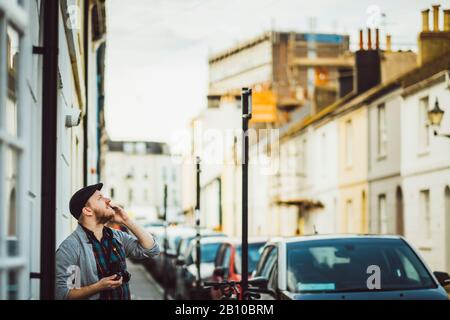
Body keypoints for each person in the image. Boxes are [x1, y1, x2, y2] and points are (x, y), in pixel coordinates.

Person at [55, 183, 160, 300]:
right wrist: (98, 287)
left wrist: (126, 220)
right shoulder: (70, 247)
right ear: (88, 211)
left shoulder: (117, 236)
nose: (108, 200)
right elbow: (61, 294)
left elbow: (152, 250)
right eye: (100, 198)